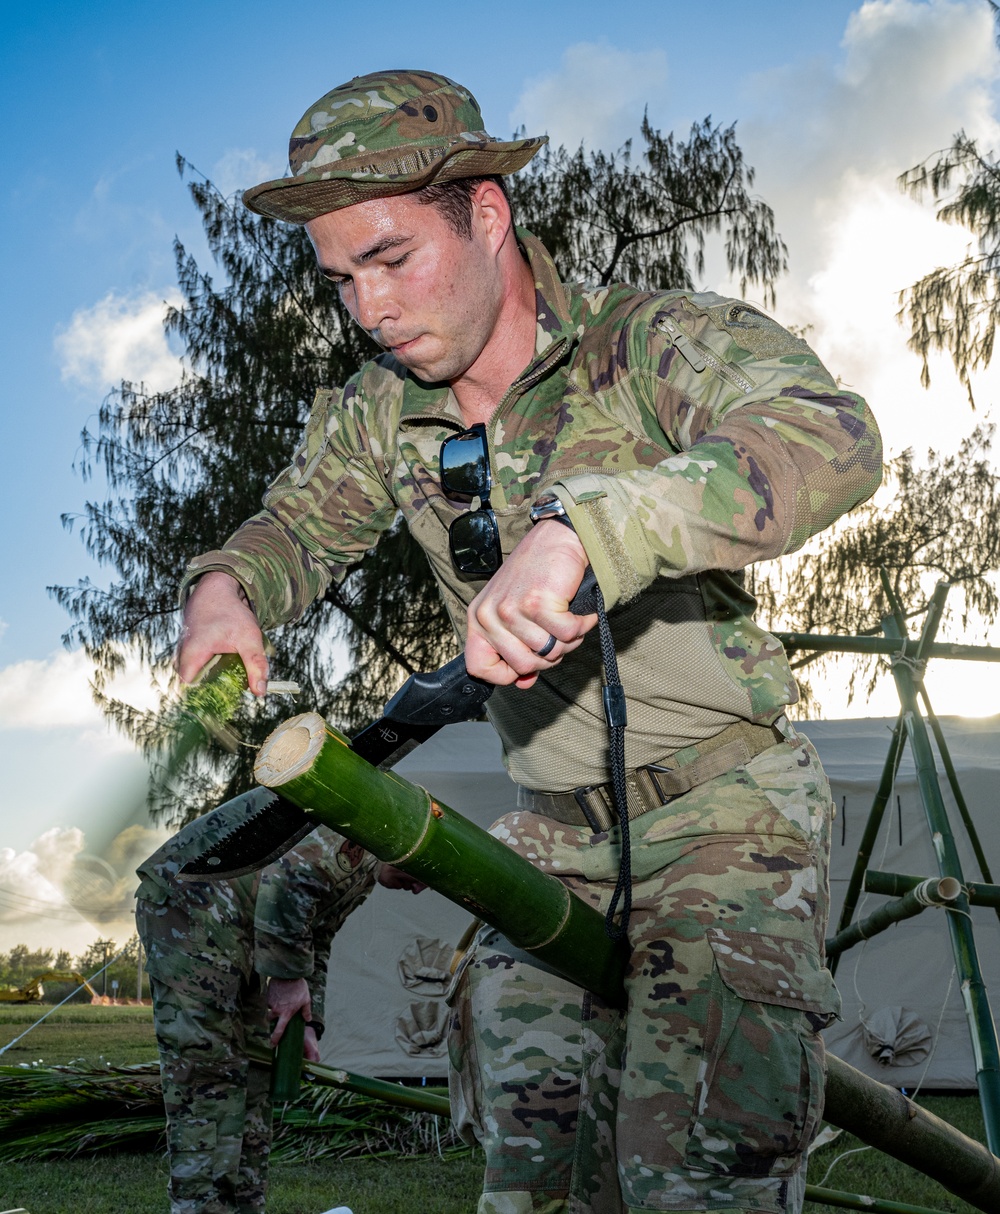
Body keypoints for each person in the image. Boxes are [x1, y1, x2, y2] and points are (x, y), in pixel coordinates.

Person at [174, 70, 883, 1214]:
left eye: (393, 259)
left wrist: (587, 530)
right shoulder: (373, 413)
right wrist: (225, 591)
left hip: (723, 816)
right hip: (547, 845)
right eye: (340, 277)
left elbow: (830, 437)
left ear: (489, 213)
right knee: (532, 1190)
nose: (367, 307)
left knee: (694, 1186)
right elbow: (290, 527)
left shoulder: (650, 343)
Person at [135, 791, 378, 1214]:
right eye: (422, 878)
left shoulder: (367, 872)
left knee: (255, 1073)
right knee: (208, 1080)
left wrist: (308, 1021)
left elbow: (316, 937)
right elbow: (285, 883)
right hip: (192, 913)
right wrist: (285, 979)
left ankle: (245, 1205)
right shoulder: (359, 837)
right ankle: (200, 1208)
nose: (417, 890)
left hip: (240, 935)